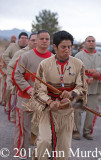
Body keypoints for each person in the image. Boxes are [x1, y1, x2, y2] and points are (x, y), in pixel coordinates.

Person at [30, 30, 87, 160]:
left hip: (66, 113)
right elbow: (39, 91)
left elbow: (82, 87)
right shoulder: (44, 65)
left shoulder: (78, 64)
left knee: (64, 150)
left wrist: (72, 95)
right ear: (55, 47)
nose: (67, 50)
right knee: (44, 142)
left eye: (69, 47)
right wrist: (50, 102)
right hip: (47, 111)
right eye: (63, 47)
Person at [13, 30, 52, 159]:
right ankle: (20, 153)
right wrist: (28, 88)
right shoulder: (25, 56)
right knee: (24, 127)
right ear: (36, 40)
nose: (44, 41)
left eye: (47, 39)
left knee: (44, 129)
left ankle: (40, 153)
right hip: (25, 98)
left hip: (45, 101)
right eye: (42, 39)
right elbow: (16, 75)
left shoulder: (53, 58)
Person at [73, 36, 101, 140]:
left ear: (95, 43)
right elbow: (76, 69)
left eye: (93, 41)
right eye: (89, 41)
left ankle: (87, 131)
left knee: (92, 111)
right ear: (85, 43)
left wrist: (95, 71)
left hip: (95, 89)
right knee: (77, 110)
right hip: (81, 89)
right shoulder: (78, 55)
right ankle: (76, 131)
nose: (91, 43)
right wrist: (86, 79)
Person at [6, 33, 37, 123]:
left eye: (36, 40)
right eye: (32, 40)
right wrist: (13, 81)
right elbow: (11, 66)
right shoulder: (21, 53)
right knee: (19, 116)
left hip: (35, 89)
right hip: (21, 87)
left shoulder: (43, 54)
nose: (35, 42)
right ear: (28, 41)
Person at [2, 32, 28, 112]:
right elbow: (4, 56)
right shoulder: (12, 47)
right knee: (9, 89)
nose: (24, 40)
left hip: (23, 73)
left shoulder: (28, 49)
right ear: (19, 39)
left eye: (25, 38)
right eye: (22, 38)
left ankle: (17, 108)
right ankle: (7, 105)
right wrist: (12, 63)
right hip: (11, 71)